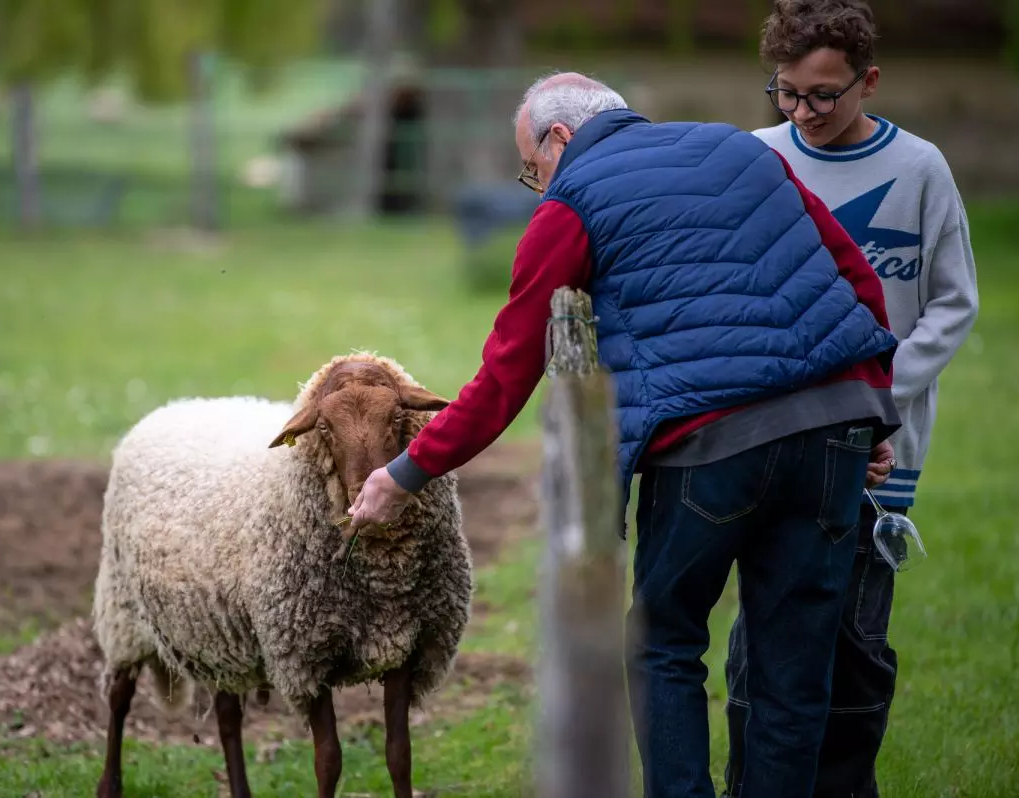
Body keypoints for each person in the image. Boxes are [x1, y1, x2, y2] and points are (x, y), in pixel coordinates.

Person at [346, 70, 901, 798]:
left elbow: (510, 369)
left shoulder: (571, 203)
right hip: (830, 432)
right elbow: (854, 278)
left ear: (561, 138)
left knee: (665, 644)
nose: (537, 185)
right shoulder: (743, 150)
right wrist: (871, 410)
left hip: (709, 446)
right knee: (795, 663)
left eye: (531, 167)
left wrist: (405, 471)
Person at [721, 2, 981, 796]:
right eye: (787, 93)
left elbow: (953, 304)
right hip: (773, 443)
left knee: (855, 637)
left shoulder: (921, 168)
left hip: (878, 450)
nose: (803, 112)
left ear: (868, 80)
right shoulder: (756, 159)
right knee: (759, 634)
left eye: (823, 95)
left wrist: (872, 393)